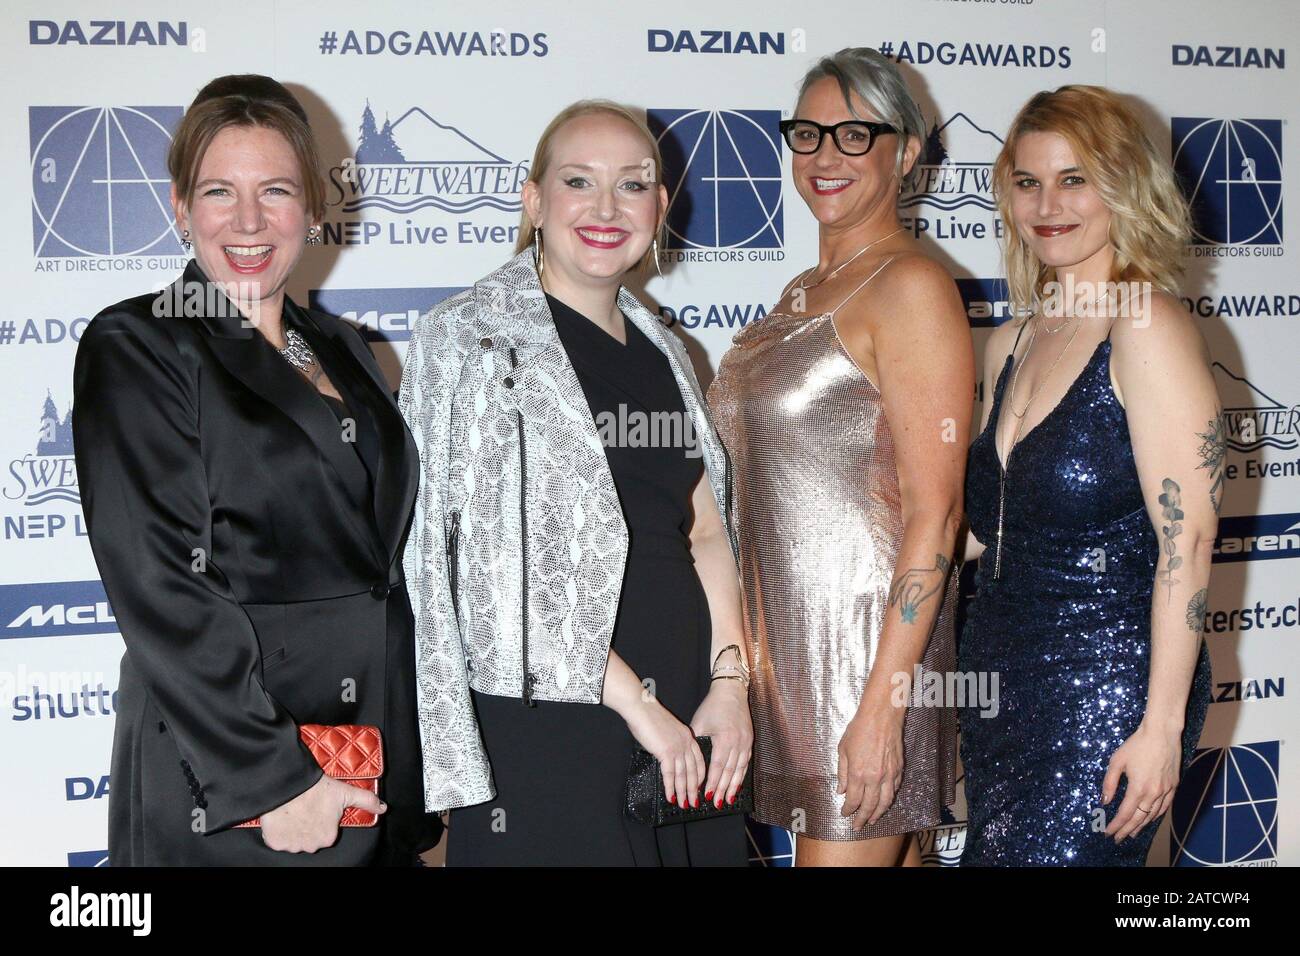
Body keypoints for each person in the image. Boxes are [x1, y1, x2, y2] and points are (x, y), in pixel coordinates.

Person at [73, 74, 440, 865]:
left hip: (367, 762)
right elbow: (161, 581)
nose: (248, 220)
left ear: (311, 207)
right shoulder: (140, 344)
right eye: (218, 192)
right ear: (179, 208)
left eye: (275, 190)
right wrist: (274, 781)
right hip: (236, 775)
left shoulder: (345, 347)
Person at [400, 100, 752, 865]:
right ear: (534, 200)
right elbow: (471, 565)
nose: (605, 208)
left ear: (660, 208)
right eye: (578, 181)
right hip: (554, 712)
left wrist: (730, 684)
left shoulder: (668, 350)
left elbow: (705, 531)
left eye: (632, 186)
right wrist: (637, 705)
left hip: (691, 701)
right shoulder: (467, 337)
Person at [707, 48, 973, 867]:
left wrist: (884, 705)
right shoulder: (797, 294)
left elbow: (939, 511)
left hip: (862, 663)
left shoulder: (911, 287)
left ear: (908, 149)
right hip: (782, 664)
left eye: (855, 134)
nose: (825, 155)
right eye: (808, 132)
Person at [960, 85, 1216, 866]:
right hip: (997, 681)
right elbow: (985, 533)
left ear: (1123, 187)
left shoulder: (1145, 322)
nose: (1048, 204)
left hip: (1106, 687)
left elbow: (1189, 538)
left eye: (1075, 179)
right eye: (1029, 181)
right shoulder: (1009, 343)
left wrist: (1162, 725)